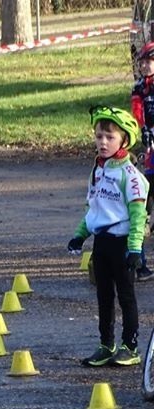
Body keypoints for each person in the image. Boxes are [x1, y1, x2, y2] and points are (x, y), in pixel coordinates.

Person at [67, 106, 149, 367]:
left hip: (122, 243)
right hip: (101, 243)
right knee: (104, 296)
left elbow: (138, 216)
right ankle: (106, 344)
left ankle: (130, 346)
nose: (102, 142)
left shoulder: (130, 176)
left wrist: (135, 249)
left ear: (124, 140)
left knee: (126, 296)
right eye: (99, 136)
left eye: (109, 137)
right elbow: (94, 209)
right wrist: (80, 235)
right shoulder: (97, 170)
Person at [130, 40, 154, 280]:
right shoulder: (139, 88)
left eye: (149, 62)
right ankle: (139, 264)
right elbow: (137, 115)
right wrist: (143, 130)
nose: (145, 66)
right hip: (149, 153)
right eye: (142, 63)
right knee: (141, 209)